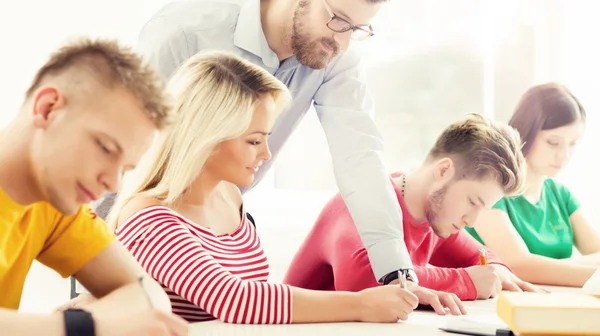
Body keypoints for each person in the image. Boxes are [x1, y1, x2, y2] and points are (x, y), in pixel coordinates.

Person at [94, 0, 448, 305]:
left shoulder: (335, 57)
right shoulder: (183, 33)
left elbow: (359, 155)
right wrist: (95, 270)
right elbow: (123, 150)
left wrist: (398, 274)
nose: (342, 42)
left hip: (225, 229)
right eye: (339, 20)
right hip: (140, 234)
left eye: (357, 30)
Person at [106, 51, 419, 324]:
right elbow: (234, 299)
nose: (266, 154)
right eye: (254, 141)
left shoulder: (228, 195)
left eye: (266, 137)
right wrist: (361, 304)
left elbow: (259, 300)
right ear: (205, 138)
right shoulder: (148, 219)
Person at [0, 38, 188, 336]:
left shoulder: (55, 205)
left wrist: (94, 317)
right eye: (105, 148)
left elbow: (148, 297)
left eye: (125, 169)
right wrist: (86, 325)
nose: (112, 183)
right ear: (48, 108)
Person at [283, 114, 539, 312]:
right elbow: (366, 279)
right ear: (443, 171)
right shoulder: (364, 199)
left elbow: (482, 257)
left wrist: (494, 270)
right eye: (472, 201)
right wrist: (465, 281)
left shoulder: (437, 218)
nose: (471, 220)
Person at [467, 83, 600, 287]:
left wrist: (548, 267)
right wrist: (572, 269)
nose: (564, 155)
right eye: (553, 143)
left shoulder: (560, 195)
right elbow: (517, 265)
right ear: (525, 133)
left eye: (572, 144)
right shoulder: (492, 189)